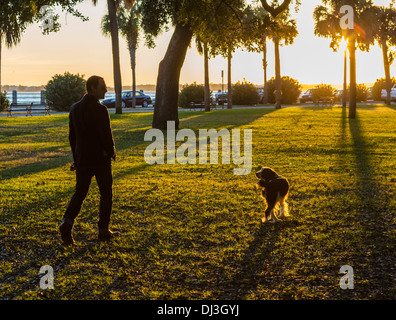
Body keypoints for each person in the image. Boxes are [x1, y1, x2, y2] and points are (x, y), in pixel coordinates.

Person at [59, 75, 117, 245]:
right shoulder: (100, 109)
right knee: (106, 193)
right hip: (100, 158)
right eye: (102, 87)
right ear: (92, 88)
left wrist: (76, 158)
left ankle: (67, 223)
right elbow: (106, 134)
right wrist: (111, 151)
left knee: (80, 192)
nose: (105, 90)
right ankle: (103, 229)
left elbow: (72, 137)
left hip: (83, 158)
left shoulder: (74, 108)